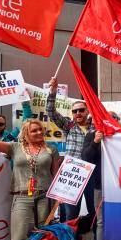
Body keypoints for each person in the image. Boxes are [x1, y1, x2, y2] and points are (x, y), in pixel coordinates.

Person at [46, 77, 94, 221]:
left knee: (94, 212)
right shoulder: (69, 126)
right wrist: (53, 91)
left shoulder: (97, 127)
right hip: (72, 174)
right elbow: (51, 112)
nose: (77, 113)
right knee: (70, 215)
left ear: (87, 111)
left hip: (93, 174)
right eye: (74, 111)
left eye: (81, 110)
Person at [81, 128, 105, 240]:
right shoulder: (91, 135)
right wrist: (95, 141)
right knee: (101, 221)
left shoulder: (120, 134)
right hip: (100, 186)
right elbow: (86, 157)